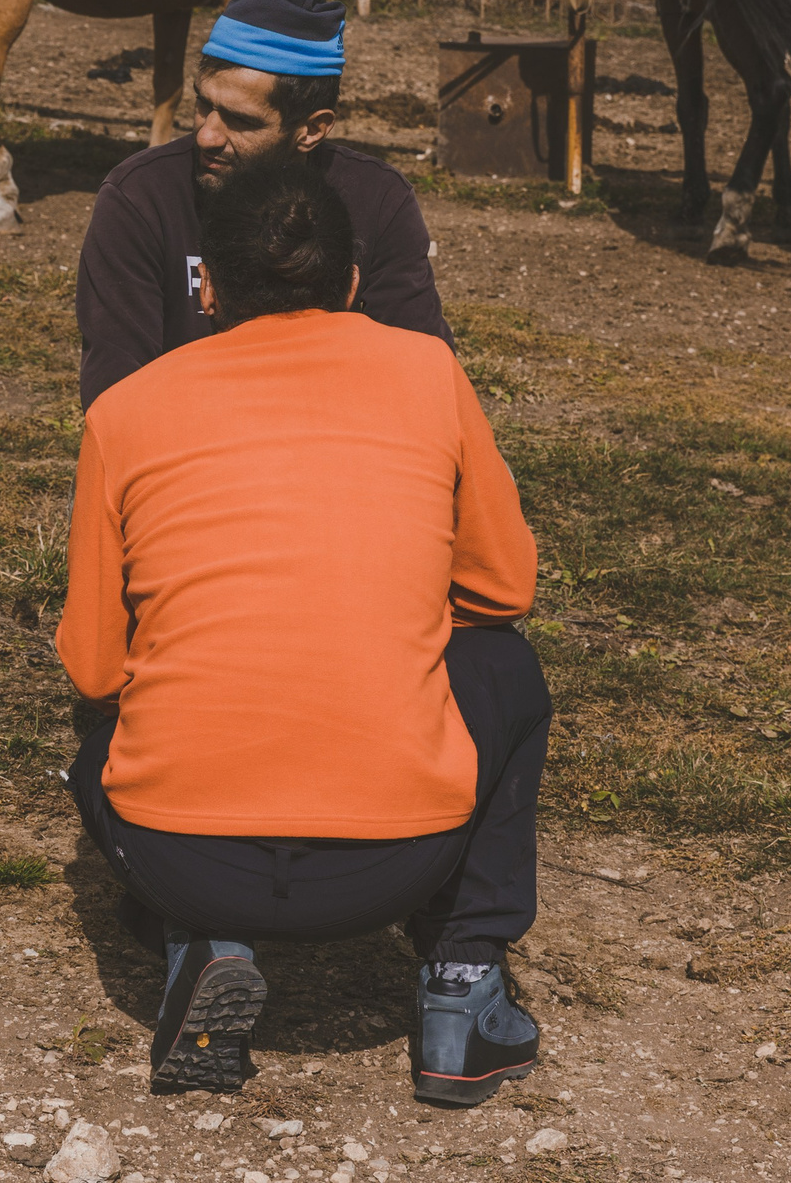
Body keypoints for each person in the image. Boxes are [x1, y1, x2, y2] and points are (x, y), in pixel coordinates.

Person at [56, 161, 550, 1105]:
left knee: (112, 711)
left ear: (205, 286)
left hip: (180, 854)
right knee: (504, 668)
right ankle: (462, 988)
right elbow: (504, 589)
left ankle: (198, 938)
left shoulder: (123, 412)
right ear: (355, 280)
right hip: (397, 863)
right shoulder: (431, 374)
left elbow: (90, 663)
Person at [74, 0, 448, 407]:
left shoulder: (377, 200)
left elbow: (427, 378)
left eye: (241, 120)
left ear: (312, 130)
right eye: (203, 104)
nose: (207, 135)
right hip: (187, 454)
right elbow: (115, 398)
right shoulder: (141, 197)